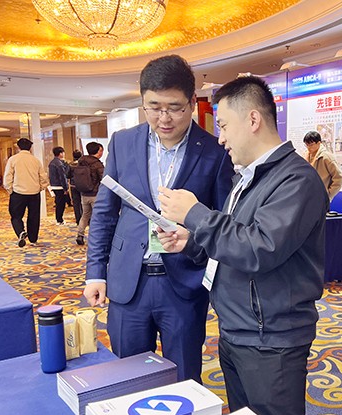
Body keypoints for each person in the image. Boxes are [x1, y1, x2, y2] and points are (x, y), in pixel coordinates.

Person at [157, 76, 329, 415]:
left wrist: (194, 214)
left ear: (252, 120)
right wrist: (191, 242)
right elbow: (236, 243)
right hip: (238, 327)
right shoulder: (249, 177)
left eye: (223, 126)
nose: (220, 138)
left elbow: (259, 249)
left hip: (271, 336)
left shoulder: (296, 180)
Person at [82, 54, 234, 384]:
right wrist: (95, 272)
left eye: (174, 107)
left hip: (182, 284)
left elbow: (222, 222)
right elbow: (105, 213)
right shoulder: (123, 143)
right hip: (128, 282)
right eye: (154, 107)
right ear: (143, 102)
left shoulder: (215, 152)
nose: (164, 118)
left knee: (184, 377)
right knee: (128, 377)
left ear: (192, 103)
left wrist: (192, 242)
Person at [3, 137, 49, 247]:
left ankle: (20, 231)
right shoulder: (36, 160)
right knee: (34, 216)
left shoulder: (13, 159)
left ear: (18, 147)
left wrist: (10, 190)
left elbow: (8, 177)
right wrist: (40, 188)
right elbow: (43, 178)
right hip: (34, 193)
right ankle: (33, 239)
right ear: (30, 148)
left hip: (18, 192)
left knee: (16, 215)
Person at [75, 142, 104, 245]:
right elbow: (103, 178)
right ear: (98, 151)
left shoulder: (81, 162)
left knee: (85, 215)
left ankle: (80, 234)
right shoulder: (97, 164)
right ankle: (95, 237)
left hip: (84, 194)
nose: (102, 153)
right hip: (95, 194)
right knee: (97, 216)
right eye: (101, 150)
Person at [303, 130, 342, 200]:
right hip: (308, 196)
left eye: (311, 144)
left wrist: (328, 195)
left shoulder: (326, 157)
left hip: (321, 197)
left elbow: (339, 178)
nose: (308, 147)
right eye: (306, 145)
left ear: (319, 143)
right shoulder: (305, 155)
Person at [48, 146, 69, 225]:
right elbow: (62, 177)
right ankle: (59, 220)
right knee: (61, 204)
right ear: (60, 153)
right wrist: (65, 188)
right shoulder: (59, 164)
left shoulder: (52, 163)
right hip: (60, 186)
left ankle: (59, 219)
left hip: (54, 185)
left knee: (58, 203)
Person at [68, 150, 83, 224]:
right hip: (82, 185)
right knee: (83, 202)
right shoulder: (83, 164)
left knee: (76, 203)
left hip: (73, 185)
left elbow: (67, 175)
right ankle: (85, 219)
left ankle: (78, 219)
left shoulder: (70, 165)